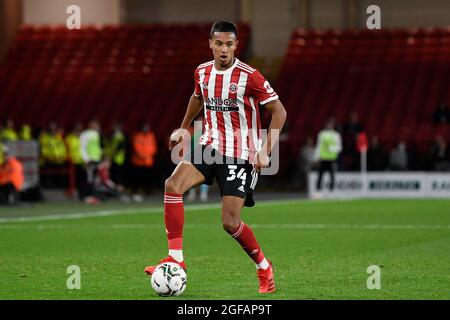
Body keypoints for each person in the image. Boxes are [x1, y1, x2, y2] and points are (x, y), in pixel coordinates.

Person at [144, 21, 287, 294]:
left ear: (236, 45)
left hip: (241, 153)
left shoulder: (250, 76)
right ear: (210, 43)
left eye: (229, 44)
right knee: (172, 186)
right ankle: (176, 257)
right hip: (210, 146)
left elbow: (279, 112)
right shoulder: (201, 72)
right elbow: (198, 98)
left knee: (230, 222)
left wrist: (265, 150)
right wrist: (184, 127)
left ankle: (264, 266)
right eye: (219, 43)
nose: (224, 49)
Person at [314, 118, 342, 195]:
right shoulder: (321, 134)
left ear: (333, 125)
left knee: (332, 175)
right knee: (320, 175)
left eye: (331, 124)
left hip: (332, 158)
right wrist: (316, 157)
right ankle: (318, 191)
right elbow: (318, 146)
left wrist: (331, 148)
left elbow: (339, 148)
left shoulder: (336, 135)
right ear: (326, 124)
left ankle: (332, 191)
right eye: (328, 124)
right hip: (323, 158)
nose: (329, 125)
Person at [130, 123, 158, 200]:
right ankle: (135, 192)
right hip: (138, 161)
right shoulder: (137, 136)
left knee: (148, 178)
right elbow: (136, 147)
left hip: (148, 161)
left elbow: (153, 147)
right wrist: (143, 156)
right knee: (137, 178)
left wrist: (148, 155)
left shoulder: (151, 135)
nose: (146, 129)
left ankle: (148, 191)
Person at [80, 119, 103, 204]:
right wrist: (86, 159)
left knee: (94, 179)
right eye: (94, 124)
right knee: (89, 178)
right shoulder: (86, 134)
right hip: (89, 160)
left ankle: (92, 196)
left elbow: (97, 147)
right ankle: (86, 196)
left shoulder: (97, 134)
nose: (96, 126)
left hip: (96, 159)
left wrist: (100, 157)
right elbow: (82, 147)